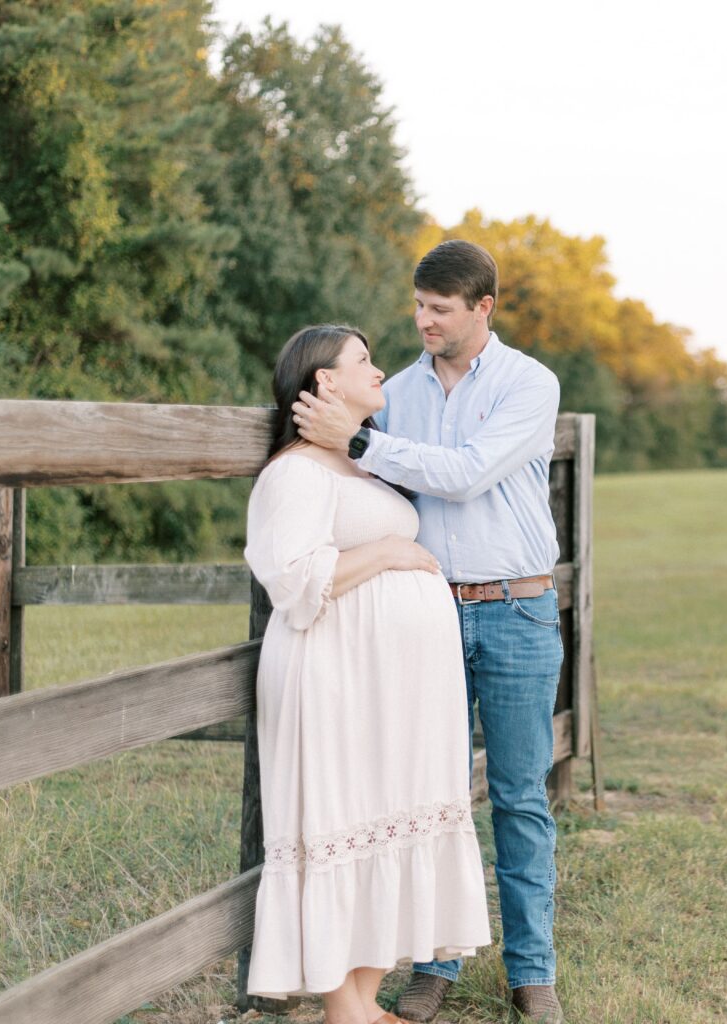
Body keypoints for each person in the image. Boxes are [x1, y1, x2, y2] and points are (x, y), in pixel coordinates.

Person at [293, 240, 567, 1024]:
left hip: (517, 608)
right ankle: (433, 965)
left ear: (484, 307)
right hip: (428, 615)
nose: (422, 322)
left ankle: (532, 974)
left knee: (518, 798)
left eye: (440, 310)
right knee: (429, 794)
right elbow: (359, 472)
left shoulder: (528, 383)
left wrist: (359, 440)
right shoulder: (399, 392)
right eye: (418, 306)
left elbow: (467, 470)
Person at [244, 323, 492, 1023]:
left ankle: (365, 1001)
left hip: (390, 688)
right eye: (363, 361)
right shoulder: (295, 472)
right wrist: (385, 552)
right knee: (339, 815)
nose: (379, 371)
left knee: (386, 820)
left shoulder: (361, 466)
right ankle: (344, 1010)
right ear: (324, 382)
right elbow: (290, 580)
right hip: (334, 676)